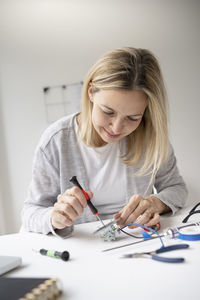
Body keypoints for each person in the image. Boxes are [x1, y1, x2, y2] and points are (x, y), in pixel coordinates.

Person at [21, 47, 188, 238]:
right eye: (108, 112)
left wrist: (154, 203)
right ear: (91, 92)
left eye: (133, 118)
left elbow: (177, 188)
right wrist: (54, 217)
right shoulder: (56, 141)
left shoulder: (151, 137)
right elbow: (30, 212)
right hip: (81, 250)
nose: (116, 128)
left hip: (136, 243)